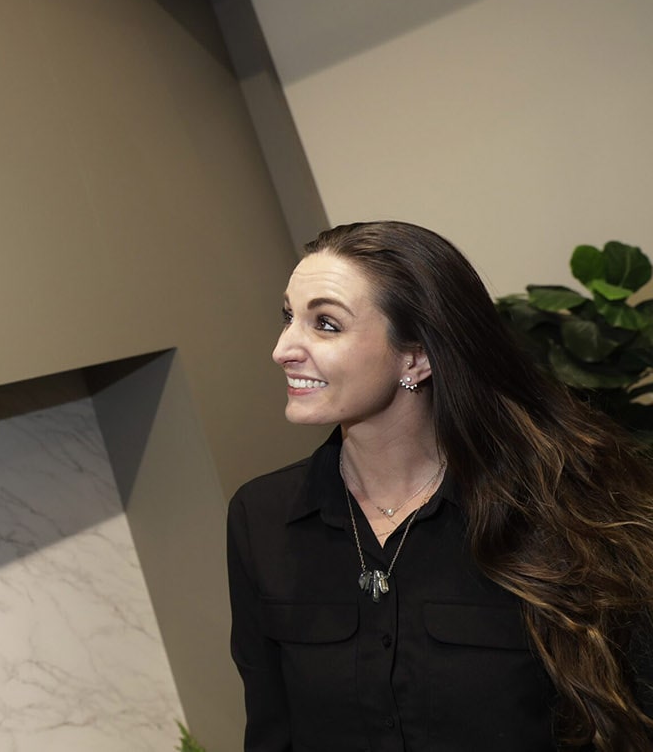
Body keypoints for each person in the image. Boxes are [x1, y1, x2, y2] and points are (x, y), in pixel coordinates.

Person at [227, 221, 653, 751]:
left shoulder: (552, 503)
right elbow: (272, 730)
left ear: (417, 357)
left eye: (326, 324)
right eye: (289, 318)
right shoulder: (260, 516)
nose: (283, 348)